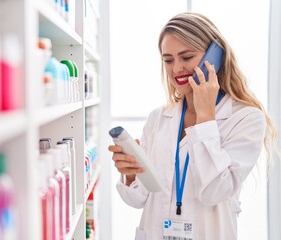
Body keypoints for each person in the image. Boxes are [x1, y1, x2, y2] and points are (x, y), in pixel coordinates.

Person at [108, 12, 276, 240]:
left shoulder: (246, 119)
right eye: (168, 60)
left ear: (214, 57)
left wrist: (206, 116)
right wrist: (130, 175)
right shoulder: (158, 118)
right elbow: (138, 199)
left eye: (186, 57)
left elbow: (214, 191)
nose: (176, 69)